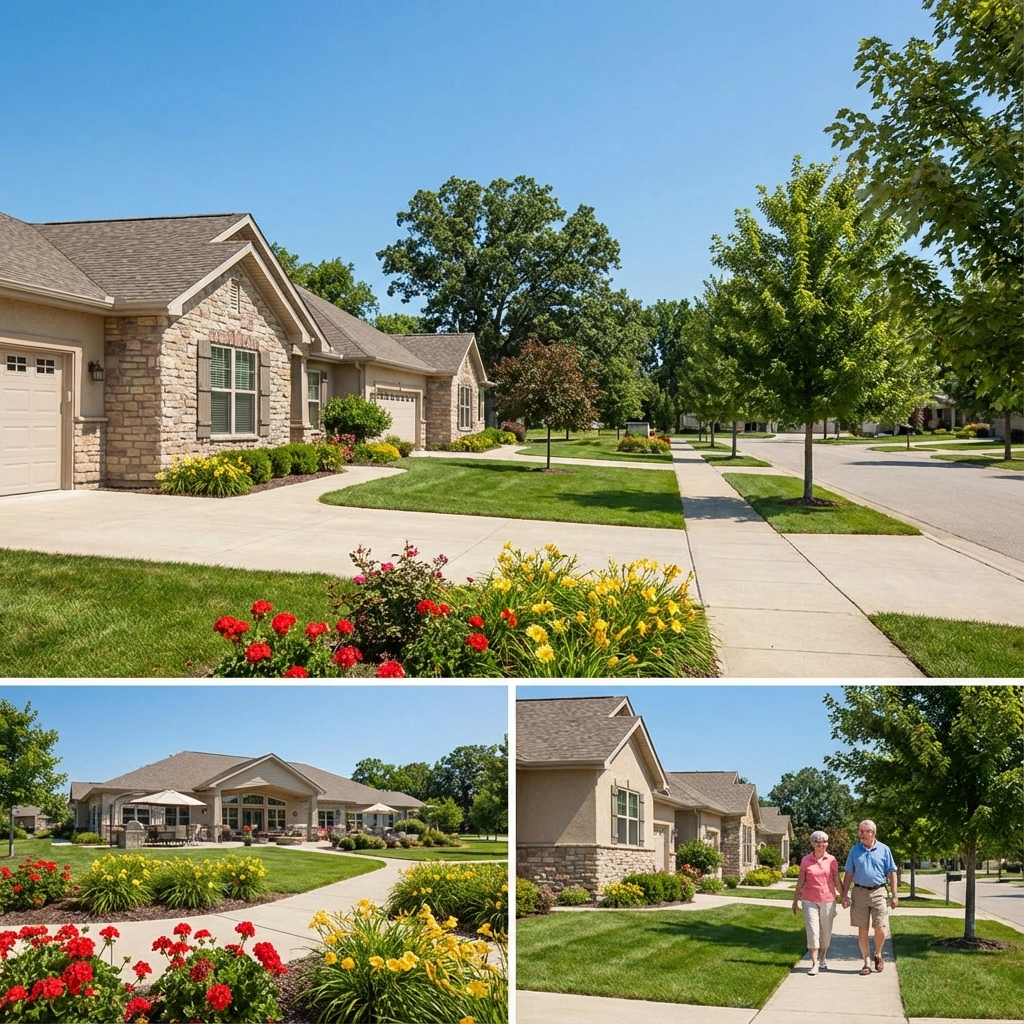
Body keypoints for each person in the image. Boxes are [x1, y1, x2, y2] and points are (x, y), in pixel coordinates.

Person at [840, 819, 898, 975]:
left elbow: (892, 872)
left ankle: (878, 953)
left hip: (879, 892)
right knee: (862, 929)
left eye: (865, 831)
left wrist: (894, 895)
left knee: (880, 926)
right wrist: (844, 895)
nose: (861, 834)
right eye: (860, 831)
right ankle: (866, 963)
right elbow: (849, 873)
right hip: (859, 892)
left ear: (873, 833)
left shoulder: (884, 850)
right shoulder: (854, 850)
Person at [791, 830, 840, 976]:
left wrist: (844, 895)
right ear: (812, 843)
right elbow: (801, 881)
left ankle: (823, 959)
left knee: (825, 931)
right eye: (818, 842)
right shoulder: (806, 860)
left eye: (824, 841)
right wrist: (795, 901)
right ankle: (813, 964)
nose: (821, 844)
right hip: (809, 900)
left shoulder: (832, 860)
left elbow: (836, 880)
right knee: (813, 931)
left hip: (828, 900)